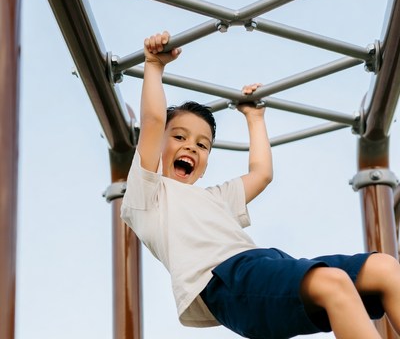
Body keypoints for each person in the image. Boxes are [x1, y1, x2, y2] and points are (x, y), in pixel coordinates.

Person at [121, 31, 400, 339]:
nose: (191, 148)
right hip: (226, 282)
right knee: (332, 283)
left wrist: (255, 119)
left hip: (263, 262)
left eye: (203, 145)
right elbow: (152, 120)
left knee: (384, 269)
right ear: (156, 145)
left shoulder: (215, 198)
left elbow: (261, 173)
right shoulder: (148, 195)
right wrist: (153, 66)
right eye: (179, 137)